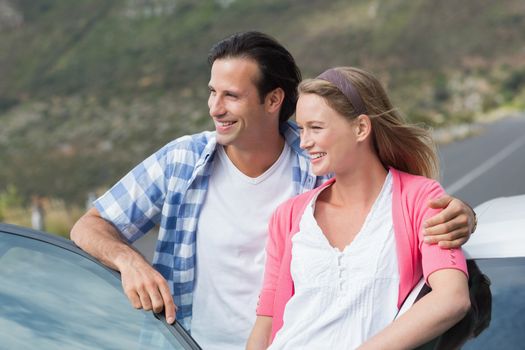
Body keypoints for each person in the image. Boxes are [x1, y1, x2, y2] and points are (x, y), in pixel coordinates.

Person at [70, 32, 476, 349]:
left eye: (231, 95)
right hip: (190, 344)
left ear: (273, 99)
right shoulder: (182, 161)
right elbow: (89, 226)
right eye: (212, 92)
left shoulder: (318, 163)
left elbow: (389, 189)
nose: (215, 107)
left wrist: (462, 213)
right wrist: (131, 262)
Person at [247, 67, 471, 349]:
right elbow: (266, 319)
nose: (304, 142)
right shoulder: (289, 215)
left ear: (361, 128)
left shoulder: (421, 199)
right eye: (302, 129)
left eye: (316, 127)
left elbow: (452, 299)